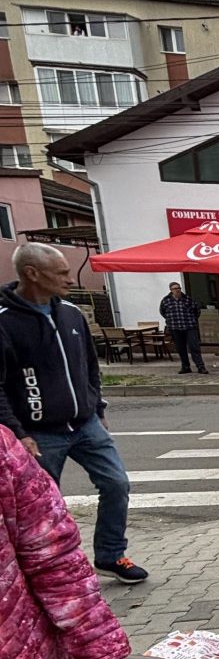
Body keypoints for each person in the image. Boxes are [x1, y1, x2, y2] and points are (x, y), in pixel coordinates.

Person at [0, 243, 148, 584]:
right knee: (41, 504)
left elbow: (89, 366)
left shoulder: (71, 313)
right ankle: (50, 569)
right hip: (39, 434)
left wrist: (97, 407)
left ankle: (111, 554)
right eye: (63, 272)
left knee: (116, 483)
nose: (70, 279)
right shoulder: (6, 323)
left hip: (85, 424)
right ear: (32, 274)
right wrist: (18, 432)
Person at [0, 425, 131, 659]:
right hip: (42, 427)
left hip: (17, 639)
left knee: (116, 483)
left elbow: (53, 556)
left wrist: (99, 649)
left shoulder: (4, 450)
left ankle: (111, 554)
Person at [159, 281, 208, 374]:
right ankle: (185, 366)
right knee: (181, 348)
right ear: (171, 290)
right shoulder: (166, 300)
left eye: (179, 288)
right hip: (175, 328)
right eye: (175, 289)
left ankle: (200, 366)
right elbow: (163, 312)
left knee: (194, 347)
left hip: (189, 326)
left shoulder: (187, 299)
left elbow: (196, 311)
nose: (177, 290)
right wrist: (171, 321)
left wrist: (192, 319)